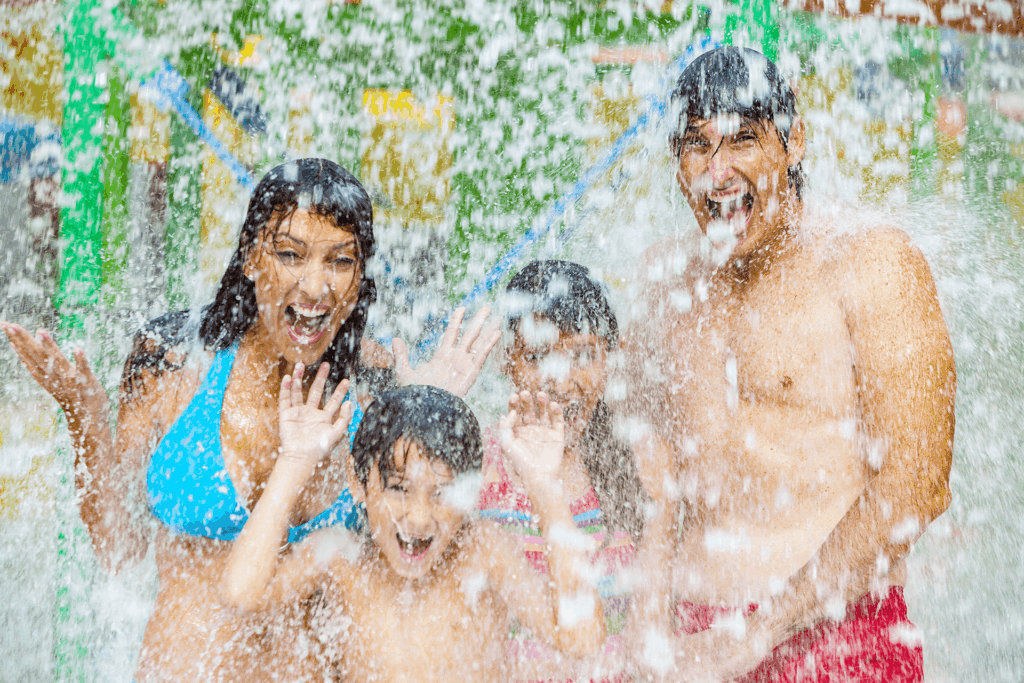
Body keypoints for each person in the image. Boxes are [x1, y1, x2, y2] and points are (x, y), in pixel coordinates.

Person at [1, 158, 499, 682]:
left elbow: (418, 558)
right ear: (251, 254)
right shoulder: (175, 363)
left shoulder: (373, 385)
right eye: (290, 254)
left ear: (359, 278)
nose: (316, 286)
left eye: (340, 261)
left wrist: (429, 411)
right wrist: (84, 419)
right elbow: (120, 550)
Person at [622, 47, 956, 682]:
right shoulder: (666, 283)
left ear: (793, 141)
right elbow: (635, 468)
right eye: (696, 146)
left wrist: (759, 633)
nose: (717, 173)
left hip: (834, 639)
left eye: (743, 141)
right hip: (689, 643)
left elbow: (917, 484)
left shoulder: (871, 264)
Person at [218, 379, 608, 683]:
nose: (420, 519)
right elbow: (241, 595)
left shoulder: (482, 550)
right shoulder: (340, 556)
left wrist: (543, 484)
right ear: (357, 481)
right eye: (399, 489)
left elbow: (582, 639)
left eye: (442, 494)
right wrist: (294, 461)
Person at [478, 259, 650, 682]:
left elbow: (652, 640)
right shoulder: (473, 465)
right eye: (538, 356)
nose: (560, 380)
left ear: (611, 357)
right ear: (506, 358)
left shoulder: (638, 464)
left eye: (584, 355)